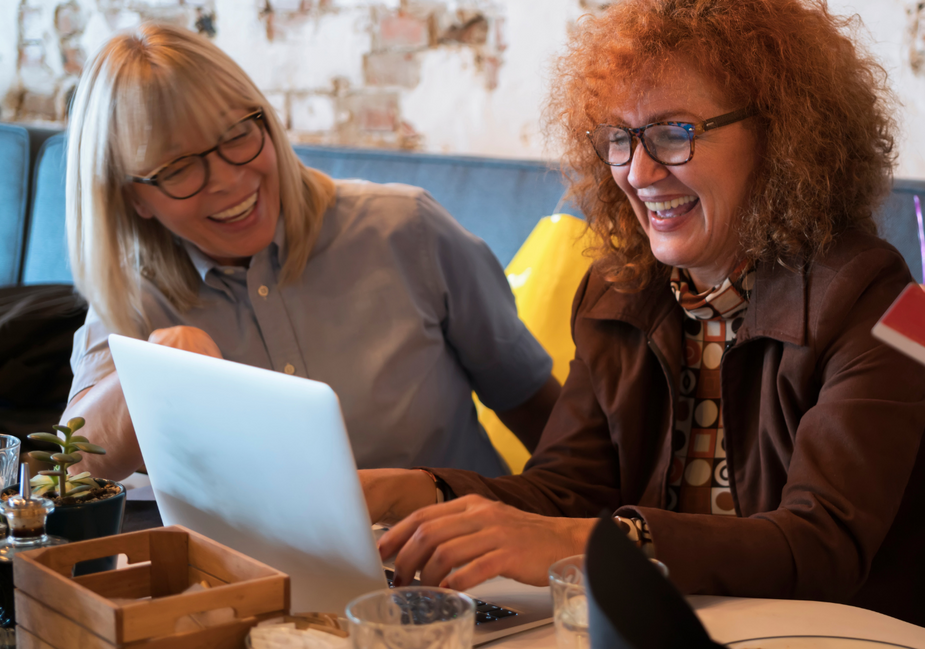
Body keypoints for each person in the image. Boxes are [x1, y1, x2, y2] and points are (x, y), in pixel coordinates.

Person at [362, 0, 925, 649]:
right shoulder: (620, 288)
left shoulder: (868, 295)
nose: (637, 171)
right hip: (702, 642)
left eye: (674, 132)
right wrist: (415, 493)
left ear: (779, 136)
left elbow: (820, 546)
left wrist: (588, 541)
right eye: (619, 138)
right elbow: (568, 492)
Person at [62, 23, 560, 480]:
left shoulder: (407, 230)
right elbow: (63, 478)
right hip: (261, 580)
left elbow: (545, 417)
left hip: (460, 571)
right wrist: (147, 375)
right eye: (178, 169)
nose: (230, 180)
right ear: (132, 197)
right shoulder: (132, 302)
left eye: (237, 134)